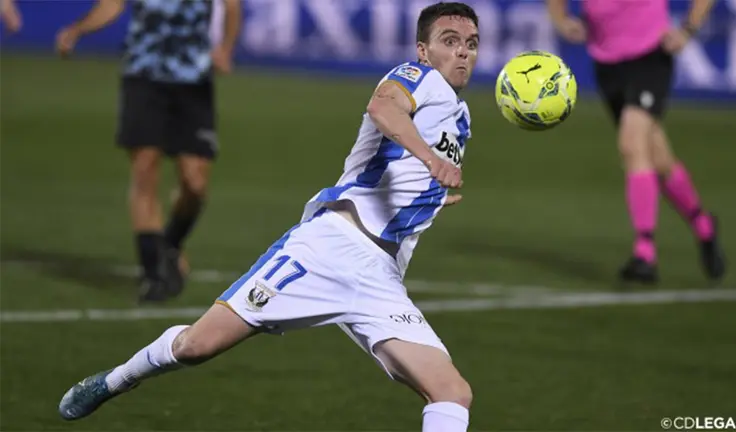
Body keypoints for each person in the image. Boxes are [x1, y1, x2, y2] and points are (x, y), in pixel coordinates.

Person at [58, 2, 477, 431]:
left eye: (471, 43)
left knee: (452, 392)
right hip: (329, 248)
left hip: (381, 277)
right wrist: (430, 160)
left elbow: (397, 169)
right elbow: (383, 109)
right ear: (423, 51)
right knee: (195, 346)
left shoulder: (460, 117)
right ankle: (116, 379)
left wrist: (427, 197)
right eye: (450, 41)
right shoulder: (416, 76)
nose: (463, 51)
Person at [55, 0, 242, 302]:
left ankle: (170, 243)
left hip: (194, 78)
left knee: (195, 184)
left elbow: (231, 5)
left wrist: (226, 48)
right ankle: (153, 274)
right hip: (143, 75)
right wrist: (77, 30)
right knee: (145, 170)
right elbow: (112, 4)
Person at [547, 0, 726, 284]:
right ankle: (704, 226)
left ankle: (645, 253)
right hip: (607, 64)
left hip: (650, 56)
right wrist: (561, 19)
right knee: (658, 158)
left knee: (631, 144)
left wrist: (688, 29)